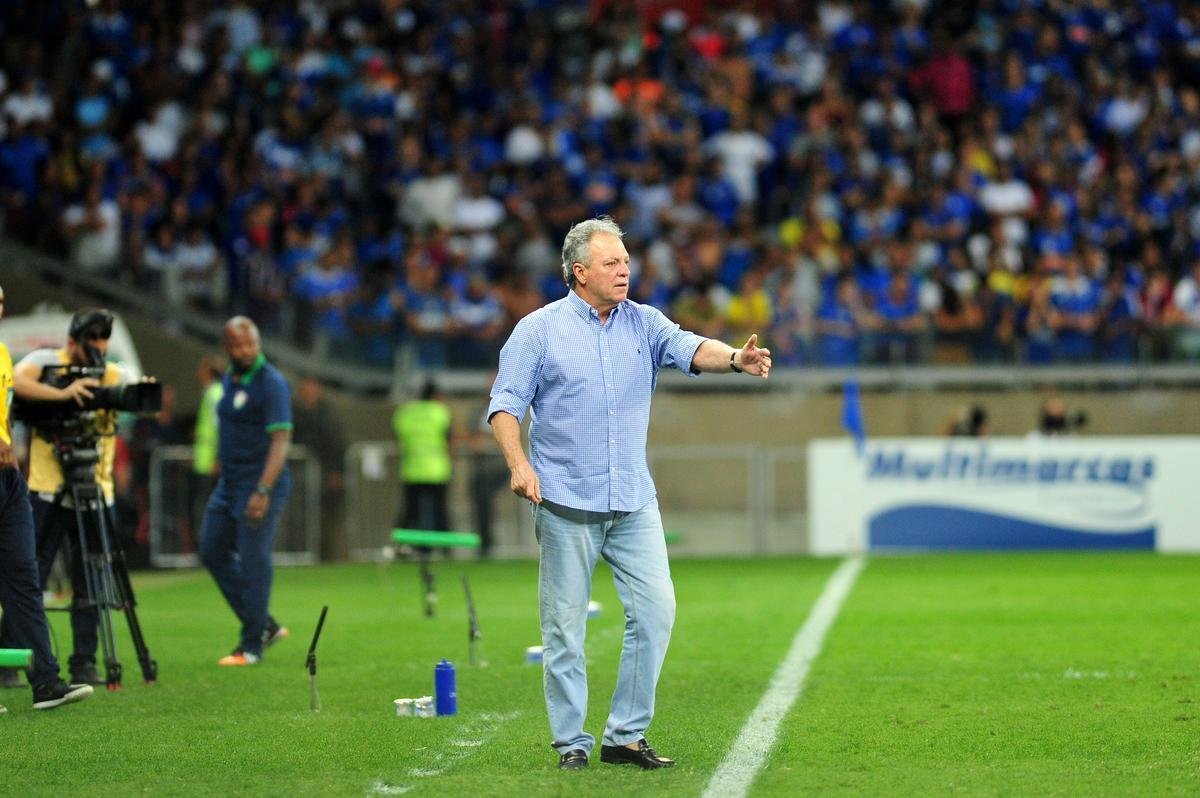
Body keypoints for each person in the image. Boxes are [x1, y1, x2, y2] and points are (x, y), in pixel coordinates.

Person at [487, 217, 771, 771]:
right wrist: (518, 463)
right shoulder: (538, 330)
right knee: (564, 629)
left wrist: (735, 358)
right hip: (566, 501)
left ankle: (625, 735)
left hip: (633, 501)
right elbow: (505, 403)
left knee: (658, 610)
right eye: (613, 262)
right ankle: (572, 742)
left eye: (626, 261)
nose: (625, 270)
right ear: (579, 271)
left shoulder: (642, 322)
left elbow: (688, 347)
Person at [0, 308, 131, 688]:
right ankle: (11, 659)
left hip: (95, 486)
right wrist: (64, 392)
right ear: (72, 340)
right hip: (47, 484)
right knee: (29, 574)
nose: (97, 346)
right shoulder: (45, 361)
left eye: (103, 339)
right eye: (90, 338)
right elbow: (17, 386)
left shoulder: (112, 372)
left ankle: (83, 662)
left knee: (89, 577)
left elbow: (132, 395)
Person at [0, 285, 95, 710]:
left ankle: (46, 683)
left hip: (8, 480)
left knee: (24, 577)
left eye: (2, 300)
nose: (0, 307)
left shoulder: (2, 352)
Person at [199, 317, 292, 666]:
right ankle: (264, 624)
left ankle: (251, 645)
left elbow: (281, 442)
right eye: (237, 345)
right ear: (227, 347)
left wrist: (263, 489)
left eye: (250, 343)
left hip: (259, 483)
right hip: (229, 484)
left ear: (258, 342)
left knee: (254, 559)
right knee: (212, 550)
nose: (245, 350)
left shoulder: (272, 383)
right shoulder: (230, 377)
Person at [291, 375, 346, 561]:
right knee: (299, 516)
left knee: (325, 517)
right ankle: (300, 555)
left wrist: (337, 471)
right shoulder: (294, 413)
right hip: (300, 472)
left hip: (324, 472)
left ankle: (325, 557)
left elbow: (337, 443)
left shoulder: (328, 415)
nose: (308, 394)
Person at [392, 379, 453, 539]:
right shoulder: (440, 412)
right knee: (439, 511)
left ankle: (405, 547)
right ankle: (445, 549)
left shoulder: (406, 412)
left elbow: (398, 435)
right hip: (436, 469)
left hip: (412, 469)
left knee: (411, 512)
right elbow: (449, 437)